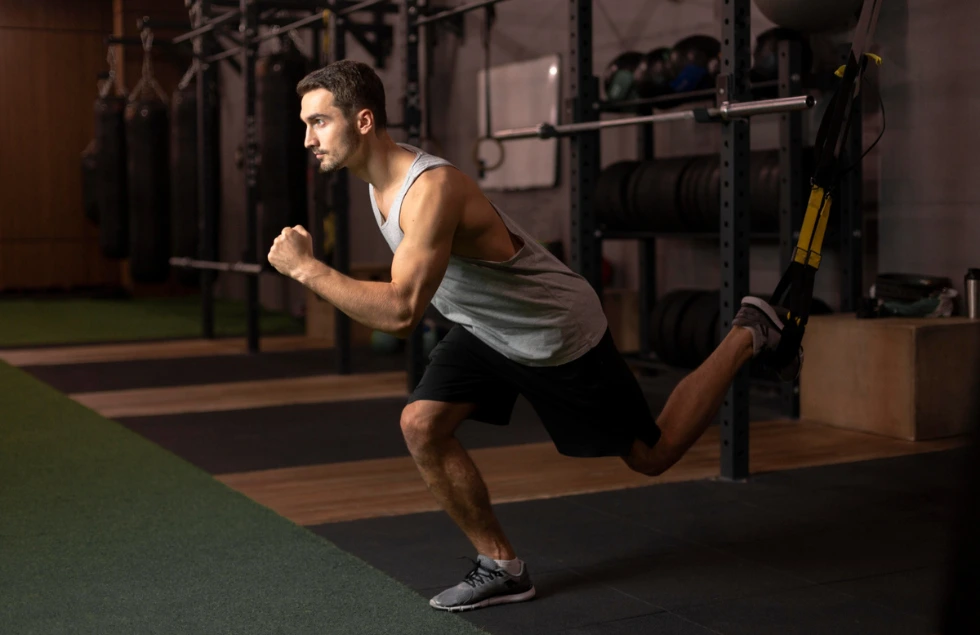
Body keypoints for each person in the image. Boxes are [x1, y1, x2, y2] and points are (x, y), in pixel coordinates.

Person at [267, 59, 803, 613]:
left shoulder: (430, 188)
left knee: (651, 454)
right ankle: (502, 567)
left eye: (318, 122)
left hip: (553, 330)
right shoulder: (375, 183)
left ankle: (748, 331)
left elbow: (403, 311)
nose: (307, 138)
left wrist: (308, 271)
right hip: (487, 328)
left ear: (361, 120)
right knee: (421, 424)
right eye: (305, 124)